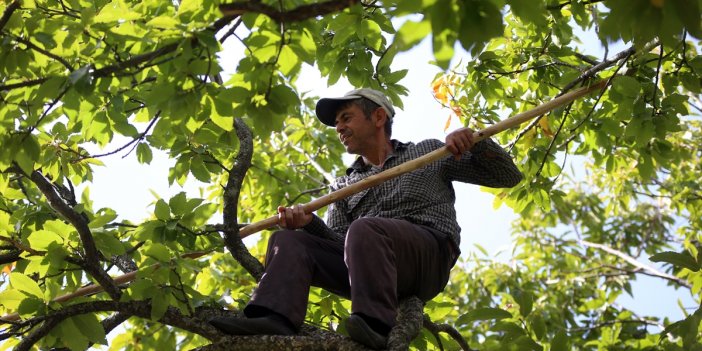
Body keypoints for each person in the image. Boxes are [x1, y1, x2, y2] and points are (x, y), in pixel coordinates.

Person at [209, 88, 523, 349]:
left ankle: (376, 324)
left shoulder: (428, 152)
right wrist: (309, 225)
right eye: (336, 123)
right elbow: (339, 242)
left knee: (367, 229)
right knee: (287, 240)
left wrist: (475, 142)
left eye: (346, 118)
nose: (339, 128)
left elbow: (508, 176)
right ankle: (273, 316)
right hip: (367, 266)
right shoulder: (342, 187)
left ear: (377, 117)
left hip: (427, 257)